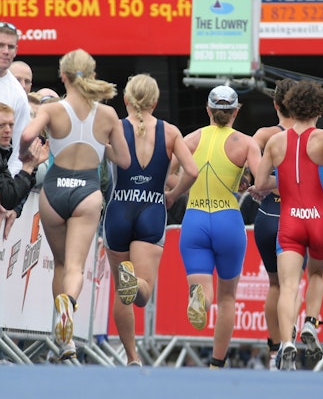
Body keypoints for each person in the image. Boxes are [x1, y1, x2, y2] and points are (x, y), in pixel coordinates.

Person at [19, 49, 130, 361]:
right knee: (76, 266)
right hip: (87, 191)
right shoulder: (107, 115)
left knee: (60, 264)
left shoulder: (52, 108)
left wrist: (24, 154)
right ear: (92, 75)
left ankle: (63, 339)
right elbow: (124, 160)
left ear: (63, 76)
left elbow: (27, 134)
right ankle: (68, 303)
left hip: (55, 189)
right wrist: (99, 147)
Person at [102, 74, 198, 367]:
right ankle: (135, 283)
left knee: (121, 293)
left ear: (126, 100)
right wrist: (173, 196)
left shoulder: (114, 127)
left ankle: (132, 357)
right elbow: (192, 171)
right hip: (152, 210)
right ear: (155, 102)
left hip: (118, 209)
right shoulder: (170, 132)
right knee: (141, 294)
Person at [251, 80, 323, 371]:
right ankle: (311, 323)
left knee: (288, 285)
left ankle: (286, 341)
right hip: (320, 219)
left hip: (290, 220)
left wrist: (280, 182)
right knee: (316, 274)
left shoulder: (276, 142)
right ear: (319, 110)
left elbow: (260, 182)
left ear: (289, 108)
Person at [177, 85, 261, 369]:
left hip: (195, 219)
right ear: (236, 112)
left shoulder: (189, 139)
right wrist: (248, 182)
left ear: (208, 110)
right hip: (228, 220)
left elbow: (168, 175)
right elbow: (262, 180)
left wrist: (173, 193)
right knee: (227, 298)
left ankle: (200, 299)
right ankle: (216, 363)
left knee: (203, 289)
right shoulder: (246, 143)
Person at [250, 78, 298, 369]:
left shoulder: (266, 135)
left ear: (276, 104)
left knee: (275, 285)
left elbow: (246, 164)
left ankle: (273, 351)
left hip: (268, 216)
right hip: (297, 216)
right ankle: (288, 343)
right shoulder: (313, 137)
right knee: (292, 284)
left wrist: (255, 182)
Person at [0, 22, 30, 175]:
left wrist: (7, 183)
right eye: (0, 45)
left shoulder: (18, 94)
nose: (6, 51)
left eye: (11, 47)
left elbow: (19, 151)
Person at [0, 102, 47, 211]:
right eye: (1, 125)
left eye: (11, 125)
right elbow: (8, 198)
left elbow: (12, 191)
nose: (8, 130)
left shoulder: (0, 150)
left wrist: (32, 167)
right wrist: (27, 168)